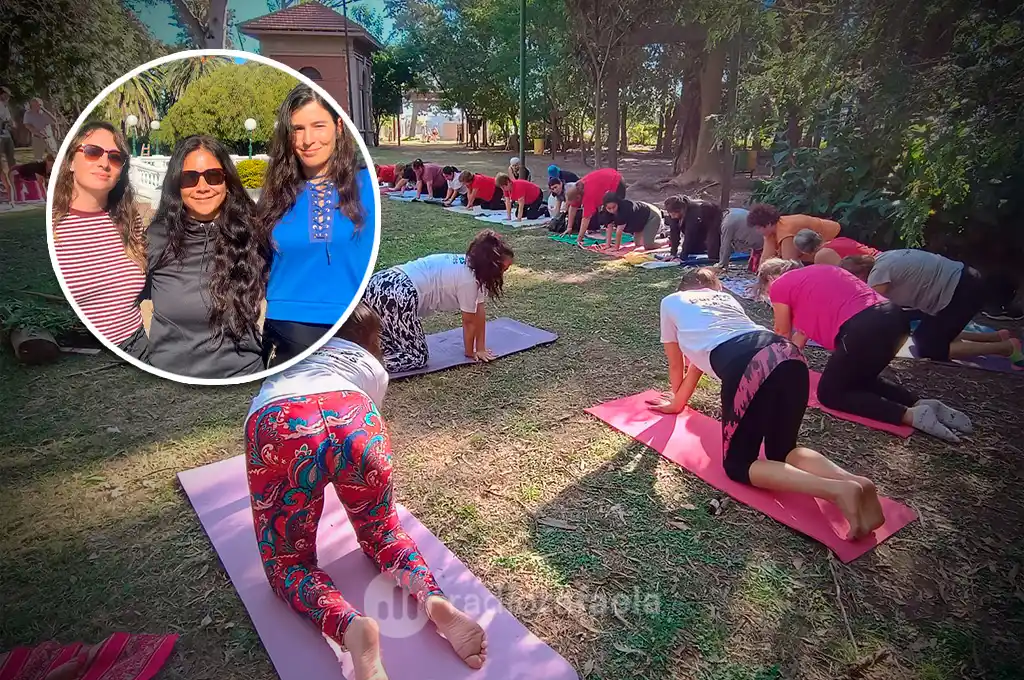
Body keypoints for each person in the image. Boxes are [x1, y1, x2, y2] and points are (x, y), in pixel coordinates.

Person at [245, 303, 487, 680]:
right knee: (382, 532)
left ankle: (349, 626)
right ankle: (434, 598)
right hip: (354, 415)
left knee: (288, 565)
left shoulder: (283, 358)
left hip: (280, 424)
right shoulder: (371, 369)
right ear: (367, 340)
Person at [649, 267, 886, 540]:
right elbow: (699, 361)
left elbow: (677, 360)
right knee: (784, 449)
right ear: (716, 289)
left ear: (683, 288)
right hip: (789, 354)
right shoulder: (724, 300)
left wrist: (674, 398)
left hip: (751, 363)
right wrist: (679, 403)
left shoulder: (671, 301)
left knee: (738, 465)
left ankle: (837, 490)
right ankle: (853, 481)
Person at [755, 258, 974, 442]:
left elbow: (781, 332)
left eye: (766, 292)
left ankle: (909, 415)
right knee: (857, 379)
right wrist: (790, 367)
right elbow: (797, 340)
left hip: (865, 327)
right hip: (895, 319)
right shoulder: (818, 274)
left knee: (830, 393)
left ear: (771, 279)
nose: (770, 298)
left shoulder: (782, 285)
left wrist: (770, 371)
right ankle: (919, 402)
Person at [257, 84, 376, 367]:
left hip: (352, 324)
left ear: (338, 127)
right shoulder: (277, 194)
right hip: (288, 327)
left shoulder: (367, 186)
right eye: (297, 129)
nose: (308, 140)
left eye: (318, 126)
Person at [144, 136, 267, 378]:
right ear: (176, 185)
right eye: (190, 178)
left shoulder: (253, 236)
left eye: (213, 176)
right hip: (170, 379)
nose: (202, 187)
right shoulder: (156, 239)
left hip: (244, 376)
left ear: (227, 181)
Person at [51, 121, 148, 359]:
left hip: (138, 348)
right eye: (93, 152)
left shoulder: (127, 219)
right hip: (80, 353)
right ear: (71, 161)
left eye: (115, 158)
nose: (104, 163)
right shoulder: (52, 226)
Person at [362, 229, 514, 373]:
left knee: (392, 347)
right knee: (417, 358)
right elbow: (469, 321)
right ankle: (373, 367)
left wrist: (480, 347)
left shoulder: (473, 267)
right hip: (396, 293)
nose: (504, 272)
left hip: (380, 283)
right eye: (503, 268)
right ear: (491, 265)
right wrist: (469, 352)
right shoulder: (468, 280)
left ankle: (372, 355)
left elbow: (479, 309)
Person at [841, 251, 1024, 366]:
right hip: (961, 283)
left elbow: (869, 313)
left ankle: (1006, 347)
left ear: (858, 275)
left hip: (960, 292)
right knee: (925, 333)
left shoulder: (878, 275)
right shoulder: (883, 258)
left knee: (929, 347)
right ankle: (995, 337)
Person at [747, 203, 841, 261]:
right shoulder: (770, 233)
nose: (757, 231)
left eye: (758, 228)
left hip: (835, 237)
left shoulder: (786, 231)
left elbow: (789, 263)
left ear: (768, 224)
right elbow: (766, 258)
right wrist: (759, 282)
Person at [563, 167, 625, 245]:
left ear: (578, 197)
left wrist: (579, 238)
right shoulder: (578, 189)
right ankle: (609, 231)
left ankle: (623, 231)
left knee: (615, 210)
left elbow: (586, 218)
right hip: (607, 177)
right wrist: (569, 227)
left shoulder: (588, 195)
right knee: (607, 213)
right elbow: (573, 207)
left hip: (616, 181)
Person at [663, 195, 723, 262]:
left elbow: (690, 234)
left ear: (681, 210)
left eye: (673, 214)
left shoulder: (693, 211)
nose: (672, 216)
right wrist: (673, 253)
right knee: (693, 250)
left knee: (712, 251)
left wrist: (682, 257)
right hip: (699, 222)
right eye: (670, 214)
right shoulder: (674, 212)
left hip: (713, 219)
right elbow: (674, 232)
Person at [793, 229, 879, 266]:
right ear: (819, 235)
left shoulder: (821, 255)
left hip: (876, 268)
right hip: (882, 256)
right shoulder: (840, 239)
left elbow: (845, 278)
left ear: (804, 251)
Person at [0, 87, 17, 173]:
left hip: (6, 134)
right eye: (7, 95)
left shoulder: (5, 106)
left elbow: (9, 119)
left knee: (11, 156)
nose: (8, 97)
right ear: (2, 94)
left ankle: (14, 173)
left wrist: (12, 123)